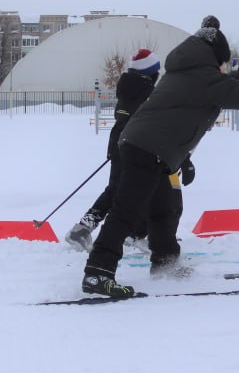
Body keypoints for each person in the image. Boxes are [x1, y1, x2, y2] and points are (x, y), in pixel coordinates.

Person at [81, 16, 239, 298]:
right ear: (215, 57)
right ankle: (98, 272)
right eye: (222, 63)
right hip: (147, 147)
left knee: (164, 209)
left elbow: (212, 97)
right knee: (127, 211)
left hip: (151, 147)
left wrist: (228, 83)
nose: (222, 68)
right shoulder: (202, 76)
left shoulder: (187, 70)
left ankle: (165, 263)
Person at [64, 49, 195, 253]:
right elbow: (162, 127)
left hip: (120, 143)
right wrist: (184, 159)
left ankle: (91, 229)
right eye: (156, 71)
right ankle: (127, 234)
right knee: (142, 191)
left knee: (120, 189)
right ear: (151, 72)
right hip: (140, 147)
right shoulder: (148, 93)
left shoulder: (128, 87)